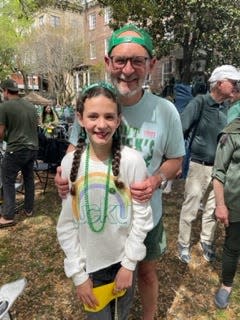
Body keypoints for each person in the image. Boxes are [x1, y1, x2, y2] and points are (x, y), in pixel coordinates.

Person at [55, 24, 185, 319]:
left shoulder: (166, 111)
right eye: (120, 60)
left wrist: (156, 179)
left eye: (137, 60)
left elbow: (176, 159)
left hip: (144, 215)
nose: (128, 70)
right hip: (101, 220)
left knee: (146, 274)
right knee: (104, 281)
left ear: (151, 65)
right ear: (107, 63)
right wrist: (64, 175)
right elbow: (76, 149)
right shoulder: (95, 102)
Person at [56, 82, 153, 319]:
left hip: (122, 262)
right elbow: (67, 225)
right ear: (80, 118)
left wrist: (129, 264)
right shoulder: (70, 163)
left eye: (109, 116)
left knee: (121, 314)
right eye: (93, 116)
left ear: (119, 120)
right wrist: (79, 275)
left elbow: (141, 217)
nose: (101, 124)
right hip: (89, 268)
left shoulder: (133, 161)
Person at [178, 65, 240, 264]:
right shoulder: (200, 102)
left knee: (213, 209)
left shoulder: (227, 108)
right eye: (233, 82)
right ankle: (183, 244)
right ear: (220, 82)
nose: (236, 86)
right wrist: (178, 160)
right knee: (191, 207)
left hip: (220, 170)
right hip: (198, 166)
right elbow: (181, 130)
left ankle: (206, 241)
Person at [212, 99, 240, 309]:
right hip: (236, 203)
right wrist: (220, 204)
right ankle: (226, 285)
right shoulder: (231, 133)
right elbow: (219, 172)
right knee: (232, 246)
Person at [0, 79, 39, 227]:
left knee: (7, 179)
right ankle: (29, 209)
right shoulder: (30, 105)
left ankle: (8, 215)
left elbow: (0, 133)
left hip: (16, 149)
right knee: (28, 178)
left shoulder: (4, 106)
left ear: (5, 90)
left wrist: (8, 136)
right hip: (33, 148)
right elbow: (36, 126)